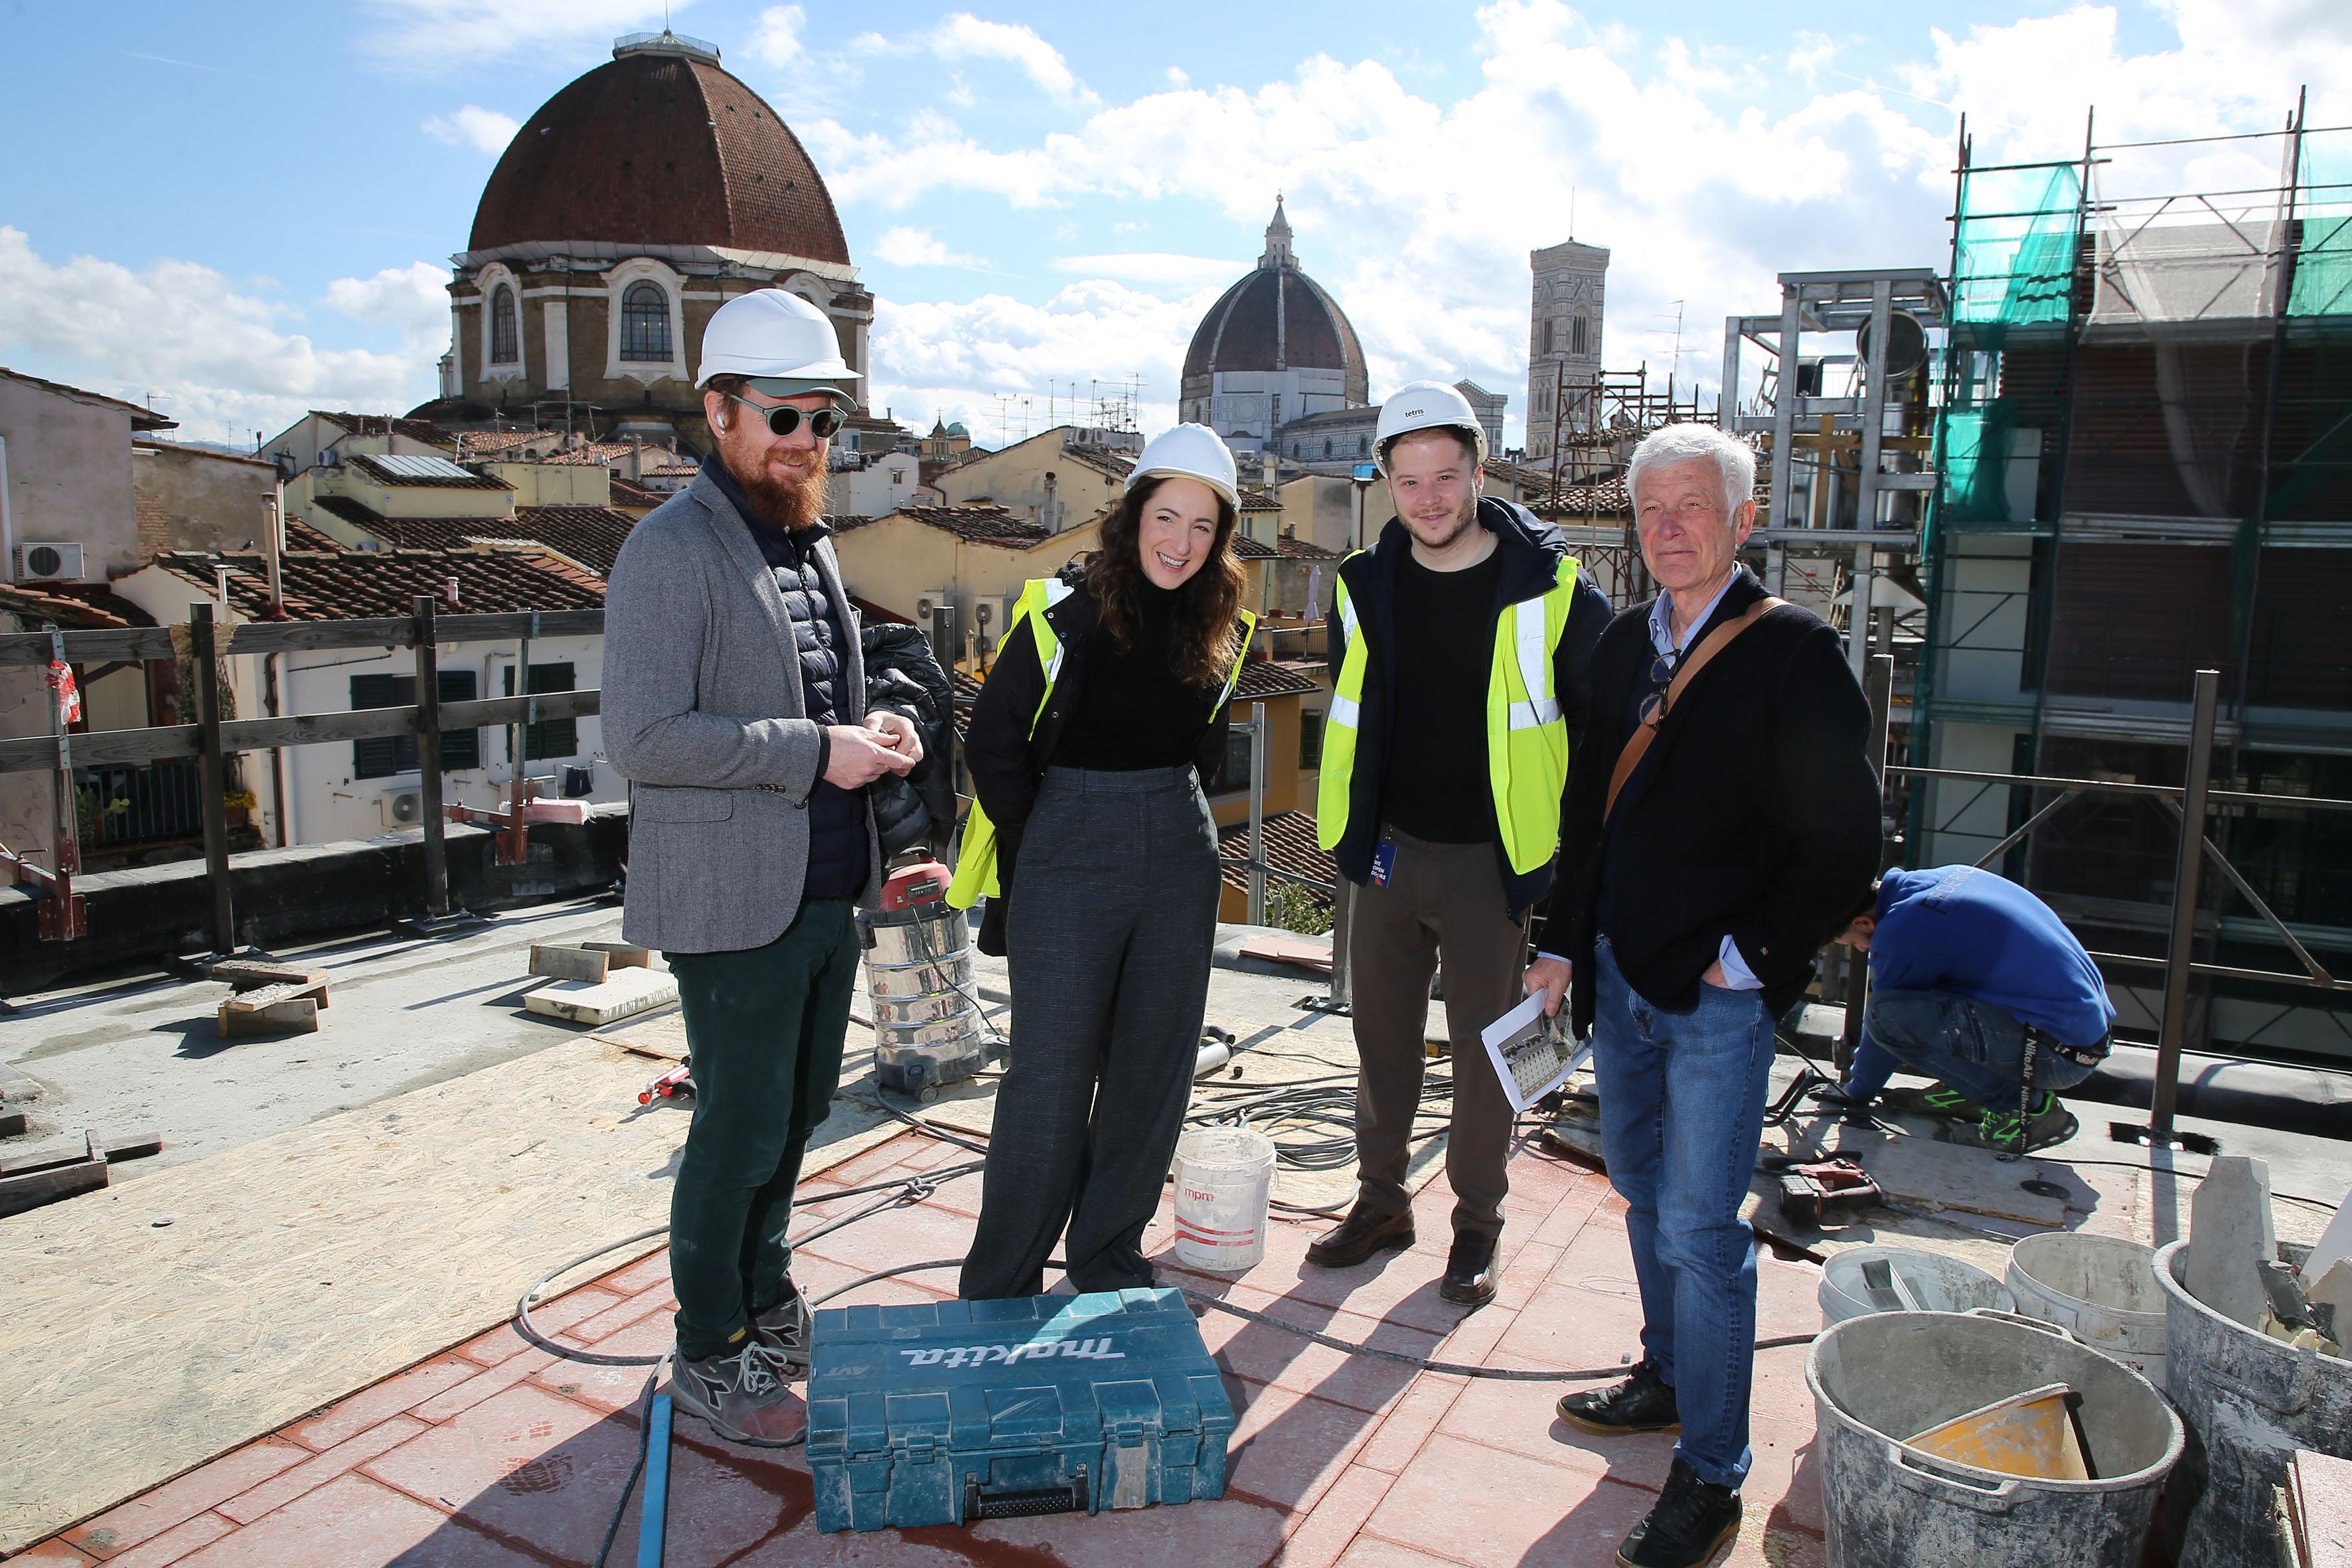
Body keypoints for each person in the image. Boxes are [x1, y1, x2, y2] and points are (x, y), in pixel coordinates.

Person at [1522, 424, 1879, 1568]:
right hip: (1621, 972)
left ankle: (1711, 1472)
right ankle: (1669, 1375)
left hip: (1717, 996)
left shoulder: (1793, 655)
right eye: (1649, 510)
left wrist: (1750, 958)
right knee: (1636, 1191)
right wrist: (1559, 945)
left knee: (1699, 1228)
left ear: (1741, 518)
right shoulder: (1623, 644)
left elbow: (1842, 847)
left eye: (1691, 507)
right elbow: (1588, 815)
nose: (1666, 528)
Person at [603, 288, 930, 1445]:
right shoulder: (668, 548)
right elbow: (641, 737)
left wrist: (885, 728)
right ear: (721, 411)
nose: (803, 441)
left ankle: (762, 1301)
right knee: (738, 1128)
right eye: (782, 416)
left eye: (822, 420)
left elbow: (833, 693)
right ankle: (706, 1343)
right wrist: (816, 751)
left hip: (821, 890)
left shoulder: (805, 541)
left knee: (792, 1117)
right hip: (729, 899)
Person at [1304, 380, 1610, 1307]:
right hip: (1390, 855)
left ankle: (1476, 1222)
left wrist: (1563, 885)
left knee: (1493, 1052)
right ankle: (1379, 1202)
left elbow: (1597, 740)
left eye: (1446, 476)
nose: (1429, 498)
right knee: (1379, 1042)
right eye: (1408, 480)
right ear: (1384, 485)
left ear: (1479, 472)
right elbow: (1352, 708)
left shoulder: (1552, 590)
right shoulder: (1361, 586)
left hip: (1492, 862)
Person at [950, 424, 1257, 1300]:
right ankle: (1001, 1280)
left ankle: (1106, 1256)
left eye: (1202, 527)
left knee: (1152, 1069)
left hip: (1177, 842)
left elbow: (1202, 748)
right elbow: (994, 743)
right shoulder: (1064, 612)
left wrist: (1169, 821)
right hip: (1068, 846)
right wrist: (1042, 835)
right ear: (1132, 517)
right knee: (1047, 1078)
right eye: (1167, 517)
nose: (1181, 542)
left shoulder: (1221, 623)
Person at [1827, 865, 2115, 1153]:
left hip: (2056, 1056)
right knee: (1923, 993)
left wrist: (1857, 1091)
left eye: (1855, 943)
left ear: (1865, 923)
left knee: (1886, 1015)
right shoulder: (1946, 877)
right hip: (2082, 1036)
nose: (1864, 951)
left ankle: (2025, 1111)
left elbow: (1887, 1022)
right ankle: (1971, 1090)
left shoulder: (1904, 929)